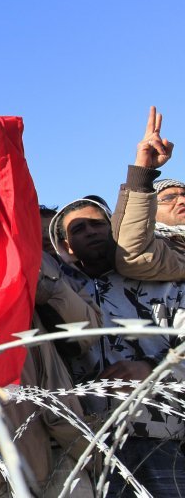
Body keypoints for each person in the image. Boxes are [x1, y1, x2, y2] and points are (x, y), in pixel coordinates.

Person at [51, 197, 185, 497]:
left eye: (98, 223)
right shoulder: (61, 296)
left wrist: (150, 369)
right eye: (79, 228)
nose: (90, 231)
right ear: (67, 246)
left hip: (160, 435)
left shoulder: (165, 285)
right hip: (86, 442)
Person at [112, 106, 185, 280]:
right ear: (150, 211)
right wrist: (142, 170)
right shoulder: (169, 251)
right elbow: (135, 257)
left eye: (184, 194)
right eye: (169, 198)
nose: (182, 200)